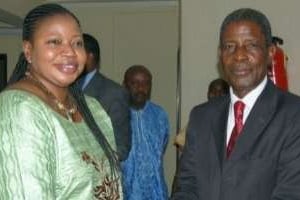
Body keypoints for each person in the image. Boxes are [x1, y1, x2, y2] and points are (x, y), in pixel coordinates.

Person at [172, 8, 300, 199]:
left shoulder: (293, 115)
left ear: (271, 53)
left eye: (251, 45)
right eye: (229, 46)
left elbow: (290, 193)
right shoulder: (201, 117)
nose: (239, 56)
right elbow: (185, 187)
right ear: (220, 54)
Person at [0, 3, 123, 199]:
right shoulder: (19, 110)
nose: (70, 52)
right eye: (55, 42)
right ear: (28, 50)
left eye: (77, 43)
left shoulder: (93, 108)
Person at [78, 33, 131, 162]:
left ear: (89, 57)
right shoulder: (64, 87)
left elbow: (121, 147)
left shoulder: (114, 93)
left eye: (76, 53)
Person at [122, 65, 169, 200]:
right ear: (125, 85)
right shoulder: (115, 114)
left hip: (157, 194)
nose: (141, 88)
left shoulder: (160, 115)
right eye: (134, 83)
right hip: (125, 194)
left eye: (145, 83)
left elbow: (162, 148)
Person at [174, 78, 229, 151]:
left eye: (221, 92)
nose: (217, 95)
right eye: (213, 92)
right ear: (208, 94)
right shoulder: (200, 115)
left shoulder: (234, 116)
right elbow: (180, 142)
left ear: (228, 95)